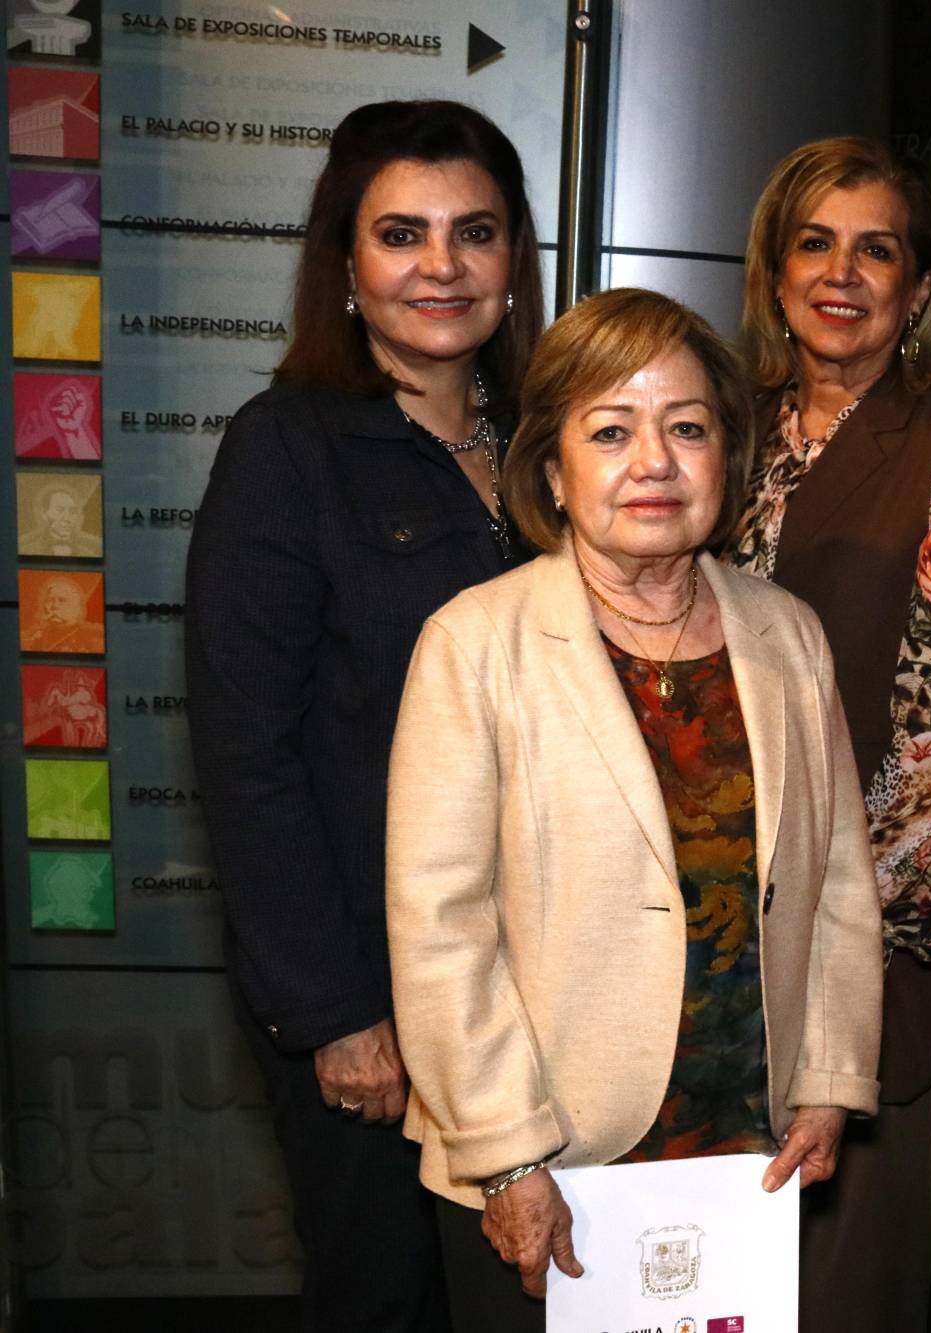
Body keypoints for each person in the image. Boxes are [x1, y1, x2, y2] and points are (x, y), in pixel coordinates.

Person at [386, 287, 885, 1327]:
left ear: (726, 461)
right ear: (553, 472)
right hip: (549, 1156)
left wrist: (829, 1075)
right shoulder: (474, 644)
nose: (652, 461)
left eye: (687, 428)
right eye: (610, 430)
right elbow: (439, 928)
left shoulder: (786, 634)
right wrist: (505, 1151)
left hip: (744, 1155)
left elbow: (837, 877)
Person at [184, 99, 544, 1332]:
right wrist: (335, 1011)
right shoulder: (285, 450)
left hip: (528, 993)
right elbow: (246, 754)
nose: (441, 266)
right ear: (345, 265)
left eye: (475, 232)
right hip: (375, 1004)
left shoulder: (549, 456)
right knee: (390, 1304)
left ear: (514, 261)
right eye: (402, 234)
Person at [729, 135, 931, 1332]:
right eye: (815, 242)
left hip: (859, 954)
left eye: (876, 249)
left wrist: (838, 939)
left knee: (843, 1286)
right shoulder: (718, 430)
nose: (841, 273)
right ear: (774, 269)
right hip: (700, 945)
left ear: (917, 287)